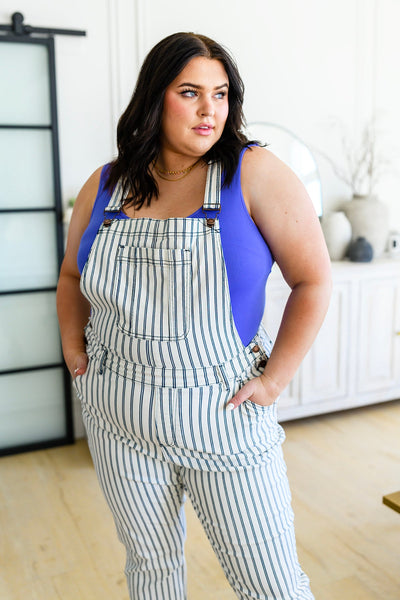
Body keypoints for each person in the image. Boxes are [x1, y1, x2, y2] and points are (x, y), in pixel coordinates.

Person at [57, 31, 331, 600]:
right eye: (190, 92)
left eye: (221, 93)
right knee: (150, 570)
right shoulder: (105, 184)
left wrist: (273, 380)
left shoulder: (253, 173)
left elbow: (313, 281)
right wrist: (73, 346)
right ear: (154, 97)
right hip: (118, 414)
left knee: (272, 585)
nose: (210, 110)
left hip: (223, 412)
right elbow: (71, 277)